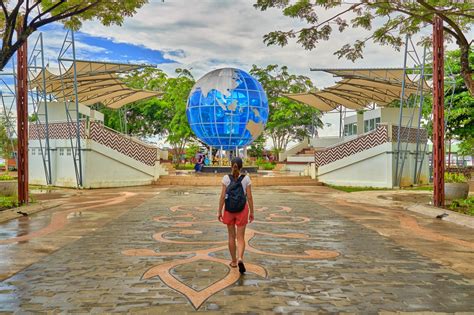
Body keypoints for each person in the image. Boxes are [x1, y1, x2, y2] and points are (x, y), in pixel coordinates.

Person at [218, 157, 254, 274]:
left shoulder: (225, 178)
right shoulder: (246, 179)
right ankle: (240, 258)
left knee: (231, 237)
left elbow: (223, 196)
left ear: (231, 166)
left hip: (229, 210)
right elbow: (249, 197)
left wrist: (219, 211)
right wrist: (252, 212)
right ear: (241, 166)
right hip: (242, 209)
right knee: (240, 237)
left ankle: (233, 261)